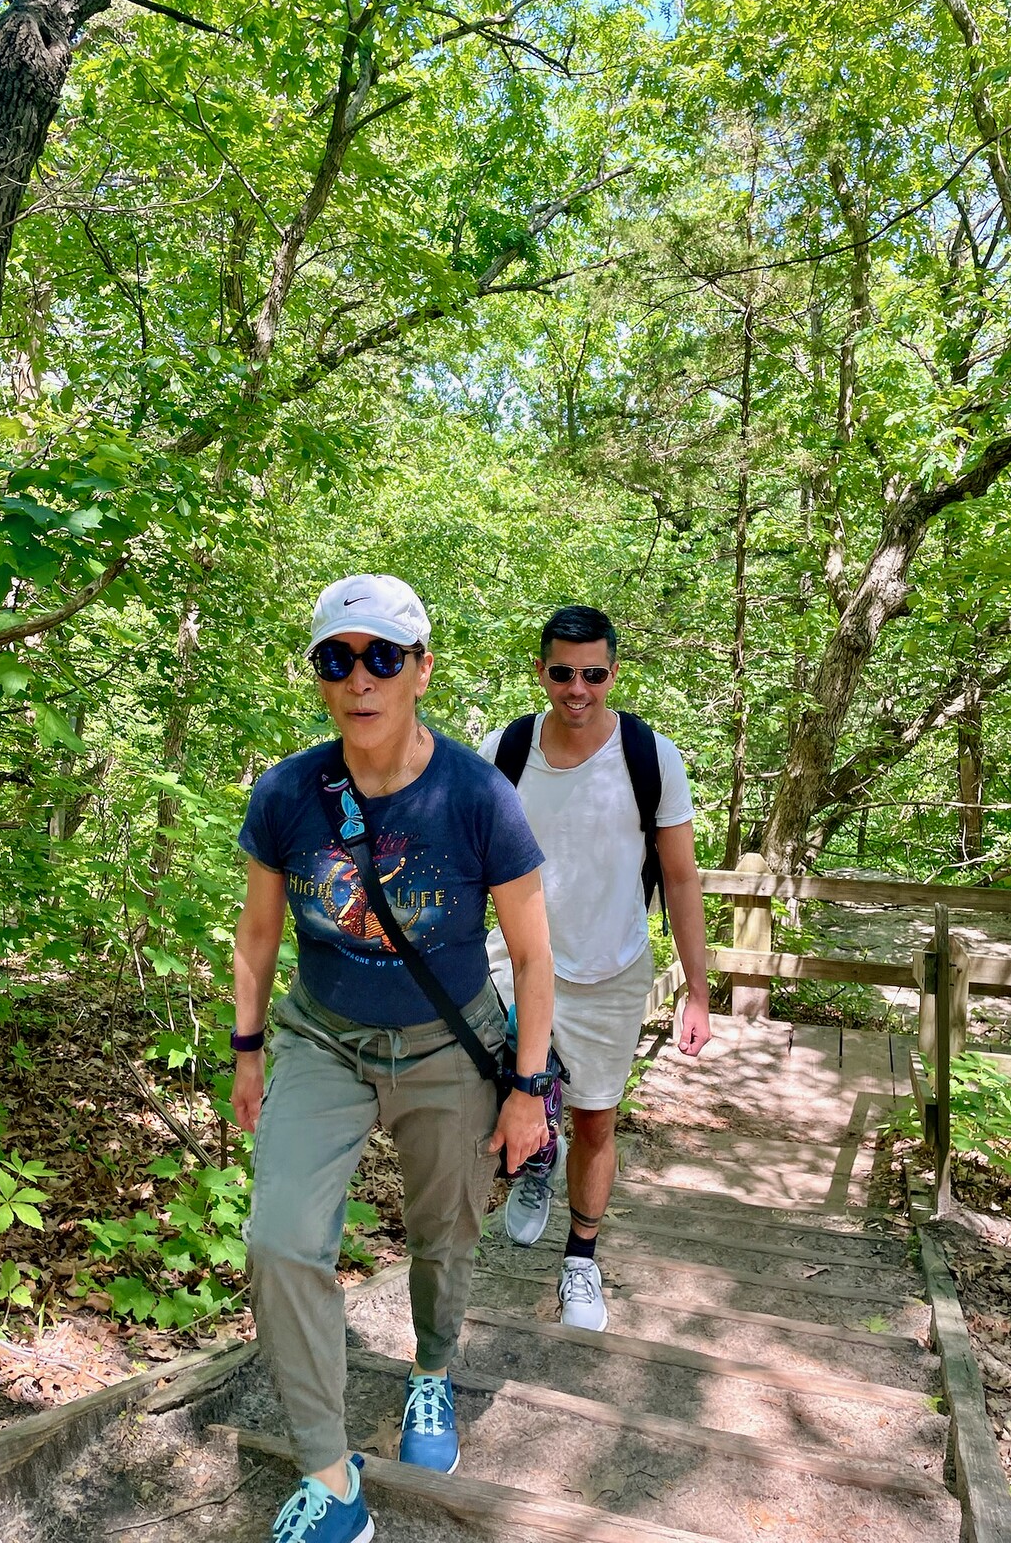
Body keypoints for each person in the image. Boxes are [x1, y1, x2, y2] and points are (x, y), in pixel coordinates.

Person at [232, 573, 553, 1543]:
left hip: (445, 1044)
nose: (359, 677)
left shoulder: (475, 794)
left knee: (443, 1232)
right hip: (323, 1037)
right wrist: (248, 1051)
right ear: (321, 677)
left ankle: (431, 1371)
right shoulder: (289, 794)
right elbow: (255, 937)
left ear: (420, 668)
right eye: (338, 658)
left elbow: (536, 956)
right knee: (280, 1239)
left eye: (381, 656)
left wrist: (529, 1087)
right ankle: (332, 1483)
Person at [480, 605, 711, 1332]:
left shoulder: (650, 755)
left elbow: (679, 878)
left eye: (593, 674)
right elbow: (464, 863)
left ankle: (581, 1259)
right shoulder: (506, 749)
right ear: (541, 670)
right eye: (562, 672)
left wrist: (698, 991)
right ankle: (534, 1150)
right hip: (516, 964)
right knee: (512, 1085)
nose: (577, 688)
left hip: (613, 971)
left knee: (598, 1122)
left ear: (613, 673)